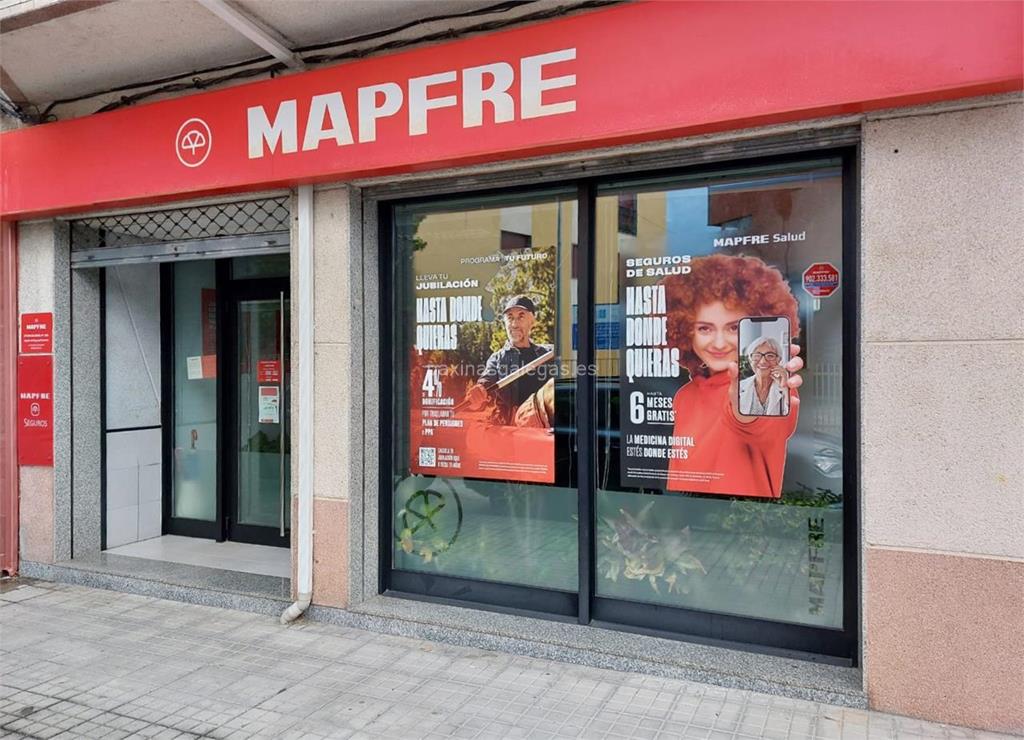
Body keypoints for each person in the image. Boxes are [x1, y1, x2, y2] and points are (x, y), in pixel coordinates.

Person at [663, 254, 803, 498]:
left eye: (734, 328)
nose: (719, 343)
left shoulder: (773, 386)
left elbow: (755, 425)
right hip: (686, 516)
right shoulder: (684, 396)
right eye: (704, 328)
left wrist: (747, 404)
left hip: (741, 516)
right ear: (685, 331)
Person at [464, 295, 556, 426]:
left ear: (532, 320)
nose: (514, 324)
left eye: (521, 316)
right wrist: (477, 395)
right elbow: (484, 384)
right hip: (515, 425)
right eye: (510, 318)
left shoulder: (549, 353)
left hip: (544, 425)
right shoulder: (497, 359)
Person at [738, 336, 789, 416]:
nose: (763, 361)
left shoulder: (786, 388)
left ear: (778, 360)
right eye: (757, 355)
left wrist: (785, 387)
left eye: (770, 355)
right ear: (750, 360)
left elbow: (791, 416)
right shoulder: (739, 387)